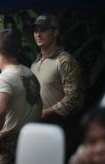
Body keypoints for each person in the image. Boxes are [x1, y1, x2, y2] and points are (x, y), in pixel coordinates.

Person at [30, 14, 84, 160]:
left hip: (61, 130)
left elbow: (74, 99)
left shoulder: (64, 61)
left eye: (43, 30)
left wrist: (45, 112)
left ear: (55, 32)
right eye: (35, 30)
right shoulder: (34, 64)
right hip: (39, 130)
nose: (38, 34)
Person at [0, 28, 42, 164]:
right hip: (31, 141)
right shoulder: (30, 73)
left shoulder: (3, 78)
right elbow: (39, 105)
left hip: (9, 146)